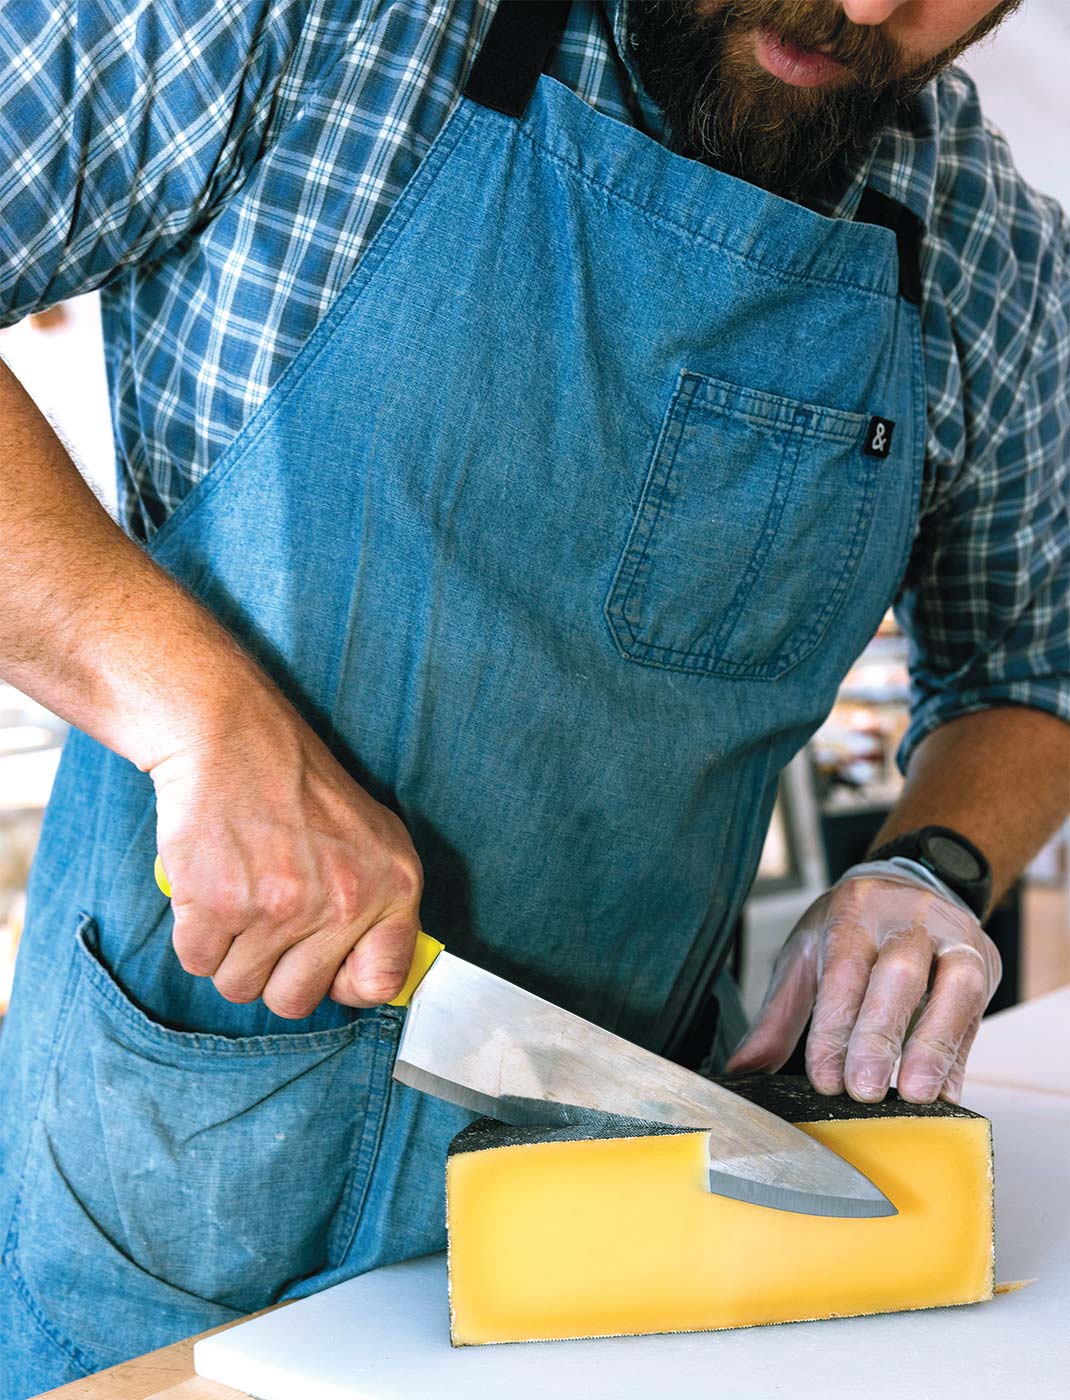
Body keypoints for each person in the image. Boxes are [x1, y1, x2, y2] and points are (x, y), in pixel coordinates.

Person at [0, 0, 1066, 1390]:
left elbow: (1029, 673)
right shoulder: (304, 20)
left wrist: (928, 869)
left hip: (628, 1170)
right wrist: (194, 711)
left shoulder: (985, 250)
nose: (865, 3)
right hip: (176, 1153)